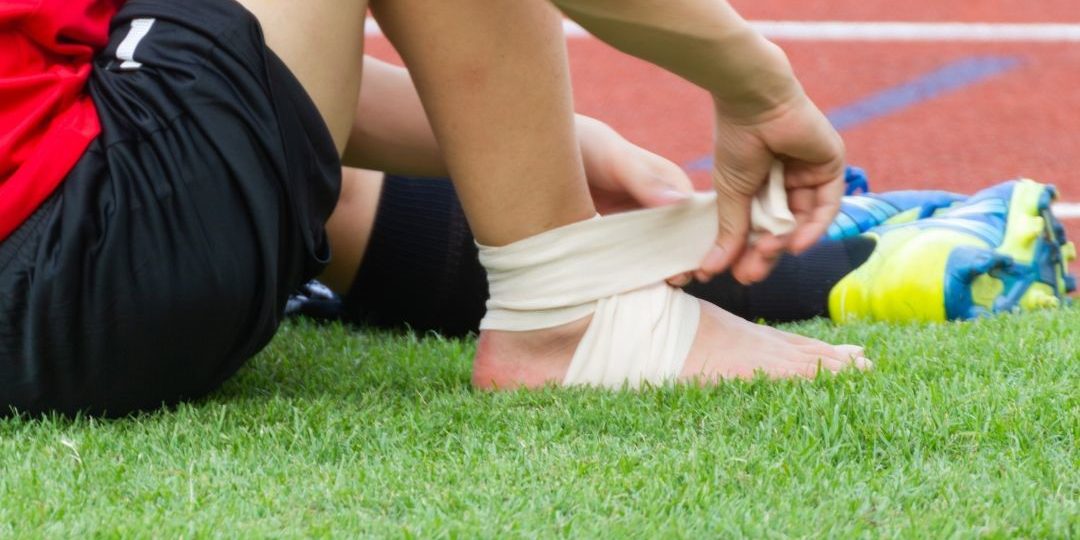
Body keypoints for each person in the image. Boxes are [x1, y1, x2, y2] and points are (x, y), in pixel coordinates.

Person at [1, 0, 869, 416]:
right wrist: (756, 83)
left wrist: (552, 139)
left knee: (336, 205)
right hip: (76, 269)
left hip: (36, 270)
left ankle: (851, 264)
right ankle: (563, 315)